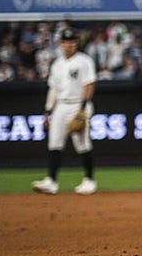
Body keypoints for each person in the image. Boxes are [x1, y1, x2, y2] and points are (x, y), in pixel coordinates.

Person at [33, 27, 98, 195]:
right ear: (60, 44)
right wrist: (47, 111)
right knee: (54, 143)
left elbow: (89, 85)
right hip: (61, 105)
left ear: (76, 44)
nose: (68, 45)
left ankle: (89, 180)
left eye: (72, 42)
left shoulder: (84, 61)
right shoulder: (57, 64)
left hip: (78, 104)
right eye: (65, 42)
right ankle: (51, 181)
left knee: (82, 143)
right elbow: (53, 89)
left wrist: (83, 109)